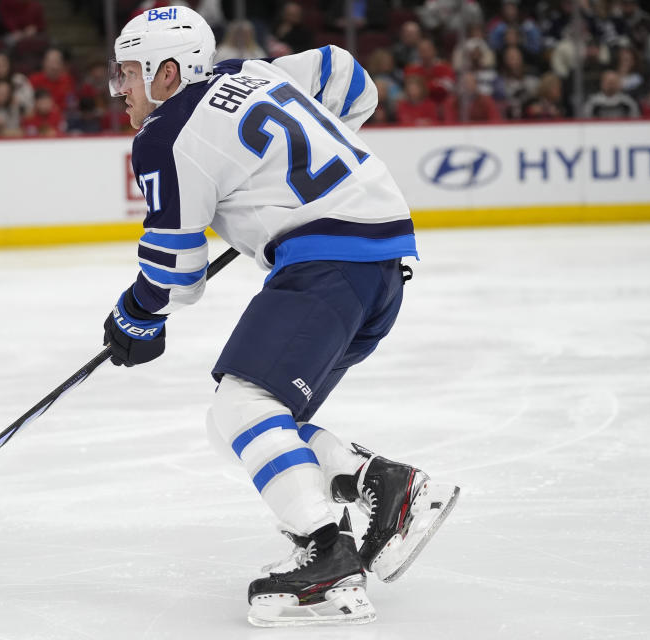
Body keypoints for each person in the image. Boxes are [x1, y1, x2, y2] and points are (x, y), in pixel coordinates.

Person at [104, 6, 459, 627]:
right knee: (237, 425)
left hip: (330, 263)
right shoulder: (253, 73)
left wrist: (135, 317)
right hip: (377, 263)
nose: (121, 90)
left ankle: (328, 559)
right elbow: (346, 76)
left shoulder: (162, 135)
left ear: (166, 73)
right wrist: (297, 177)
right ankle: (380, 484)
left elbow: (176, 272)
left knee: (243, 404)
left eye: (128, 74)